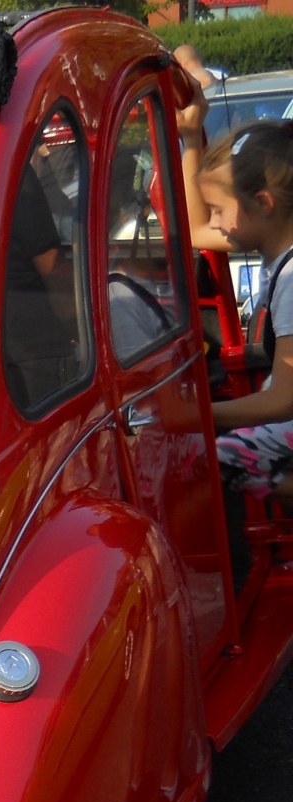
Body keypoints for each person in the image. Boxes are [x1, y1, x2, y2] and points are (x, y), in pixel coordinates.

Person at [179, 69, 293, 502]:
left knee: (206, 457)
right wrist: (192, 139)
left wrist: (195, 416)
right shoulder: (276, 247)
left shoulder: (292, 281)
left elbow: (284, 400)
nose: (217, 223)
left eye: (220, 210)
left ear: (262, 205)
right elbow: (193, 230)